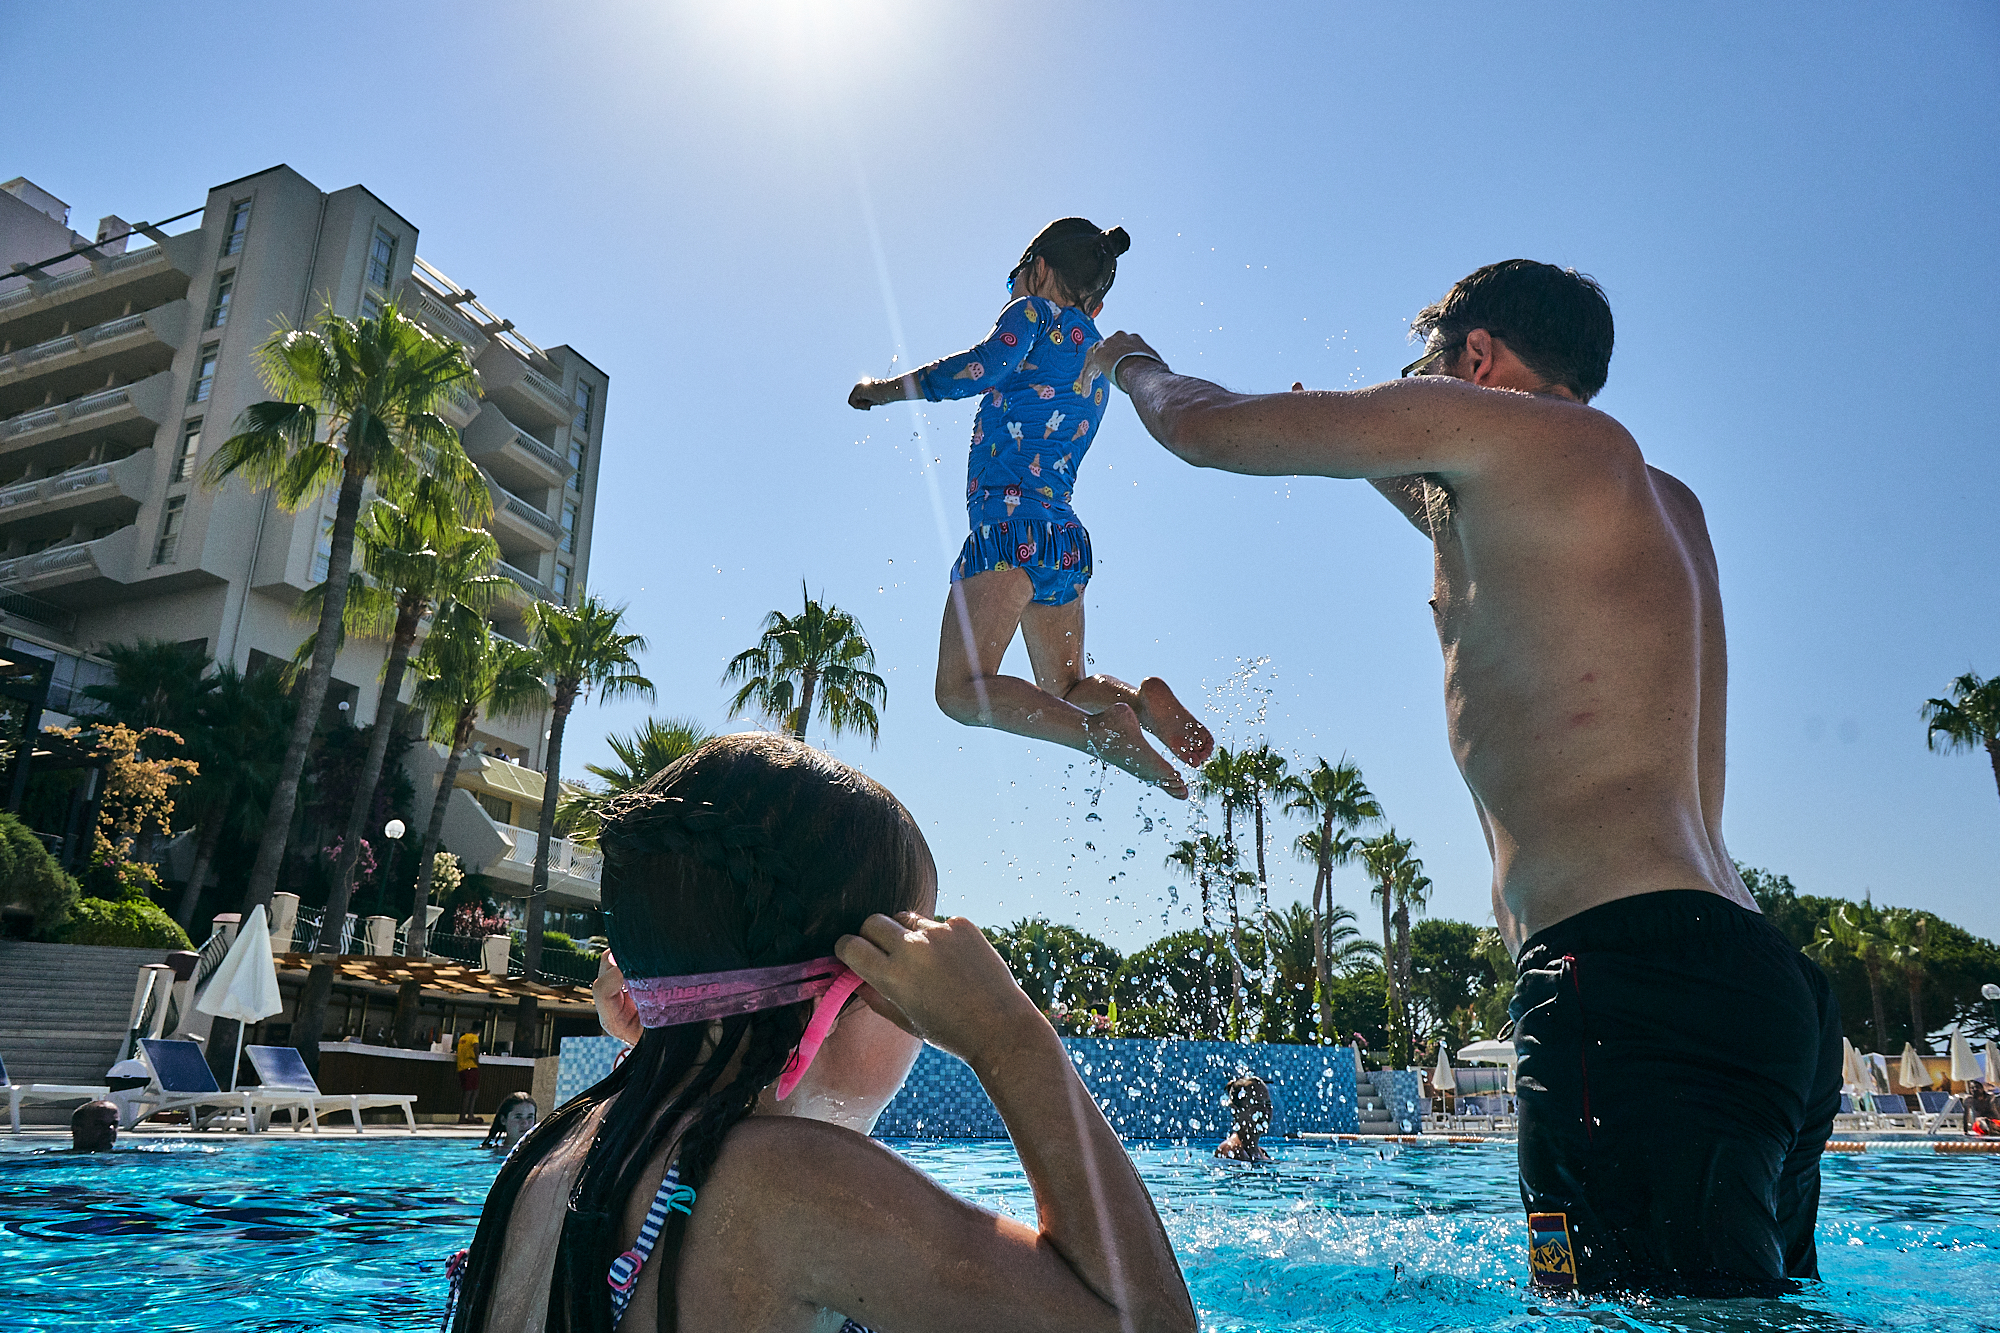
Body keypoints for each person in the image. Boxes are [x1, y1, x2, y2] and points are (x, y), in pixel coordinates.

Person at [1084, 260, 1843, 1297]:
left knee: (1615, 1310)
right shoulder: (1660, 503)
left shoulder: (1525, 442)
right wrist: (1358, 454)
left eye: (1428, 376)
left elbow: (1199, 429)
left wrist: (1130, 364)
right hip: (1758, 990)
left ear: (1472, 360)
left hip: (1621, 987)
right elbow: (1464, 518)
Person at [446, 732, 1194, 1333]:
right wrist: (1008, 1037)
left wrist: (672, 1041)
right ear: (844, 995)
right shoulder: (792, 1185)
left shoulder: (557, 1148)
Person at [849, 218, 1213, 797]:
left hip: (1007, 531)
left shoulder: (1034, 316)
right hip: (1062, 539)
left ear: (1039, 268)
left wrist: (886, 388)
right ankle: (1138, 705)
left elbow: (979, 367)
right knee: (1065, 685)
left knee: (962, 690)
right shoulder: (1098, 358)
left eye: (1016, 277)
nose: (1013, 291)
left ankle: (1101, 734)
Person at [1214, 1075, 1273, 1163]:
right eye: (1257, 1105)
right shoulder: (1231, 1150)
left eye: (1268, 1105)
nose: (1265, 1111)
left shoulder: (1261, 1152)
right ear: (1236, 1110)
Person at [456, 1029, 482, 1125]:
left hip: (461, 1067)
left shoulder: (463, 1038)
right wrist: (477, 1060)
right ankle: (466, 1116)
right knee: (472, 1092)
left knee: (468, 1091)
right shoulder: (474, 1038)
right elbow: (476, 1047)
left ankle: (466, 1116)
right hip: (471, 1066)